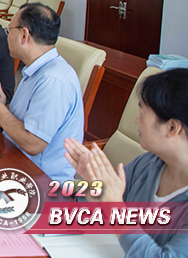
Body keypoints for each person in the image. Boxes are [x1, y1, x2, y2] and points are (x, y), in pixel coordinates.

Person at [64, 69, 188, 256]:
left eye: (142, 112)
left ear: (172, 127)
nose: (136, 120)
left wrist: (113, 205)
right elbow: (102, 208)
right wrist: (95, 185)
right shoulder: (149, 163)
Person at [0, 3, 83, 182]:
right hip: (14, 160)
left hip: (37, 180)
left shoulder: (53, 81)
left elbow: (33, 144)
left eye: (9, 31)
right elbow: (26, 120)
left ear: (24, 35)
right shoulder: (37, 70)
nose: (6, 36)